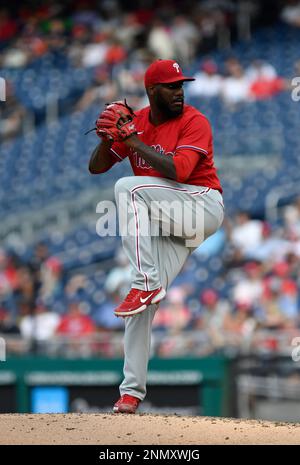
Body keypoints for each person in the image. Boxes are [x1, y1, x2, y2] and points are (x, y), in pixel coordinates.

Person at [88, 59, 224, 414]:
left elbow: (179, 170)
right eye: (172, 86)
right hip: (168, 221)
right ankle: (131, 393)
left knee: (128, 188)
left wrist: (130, 139)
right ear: (152, 91)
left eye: (182, 85)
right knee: (139, 308)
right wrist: (109, 140)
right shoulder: (139, 124)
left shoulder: (195, 120)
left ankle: (146, 280)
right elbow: (96, 166)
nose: (180, 91)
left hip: (201, 207)